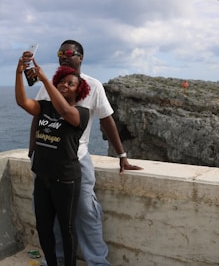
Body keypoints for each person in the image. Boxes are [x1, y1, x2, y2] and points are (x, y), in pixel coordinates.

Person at [28, 40, 143, 266]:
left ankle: (97, 262)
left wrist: (122, 156)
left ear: (81, 57)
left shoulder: (93, 86)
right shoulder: (52, 85)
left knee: (87, 211)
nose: (64, 56)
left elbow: (106, 120)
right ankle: (56, 260)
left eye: (69, 52)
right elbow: (38, 117)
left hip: (77, 160)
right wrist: (32, 150)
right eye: (60, 52)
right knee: (51, 216)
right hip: (47, 162)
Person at [16, 52, 91, 266]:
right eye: (62, 82)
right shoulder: (44, 107)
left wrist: (46, 80)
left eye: (71, 84)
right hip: (43, 177)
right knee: (44, 227)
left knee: (66, 229)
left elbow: (66, 111)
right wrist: (18, 72)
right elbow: (22, 102)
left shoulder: (80, 113)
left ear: (79, 91)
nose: (65, 85)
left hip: (65, 180)